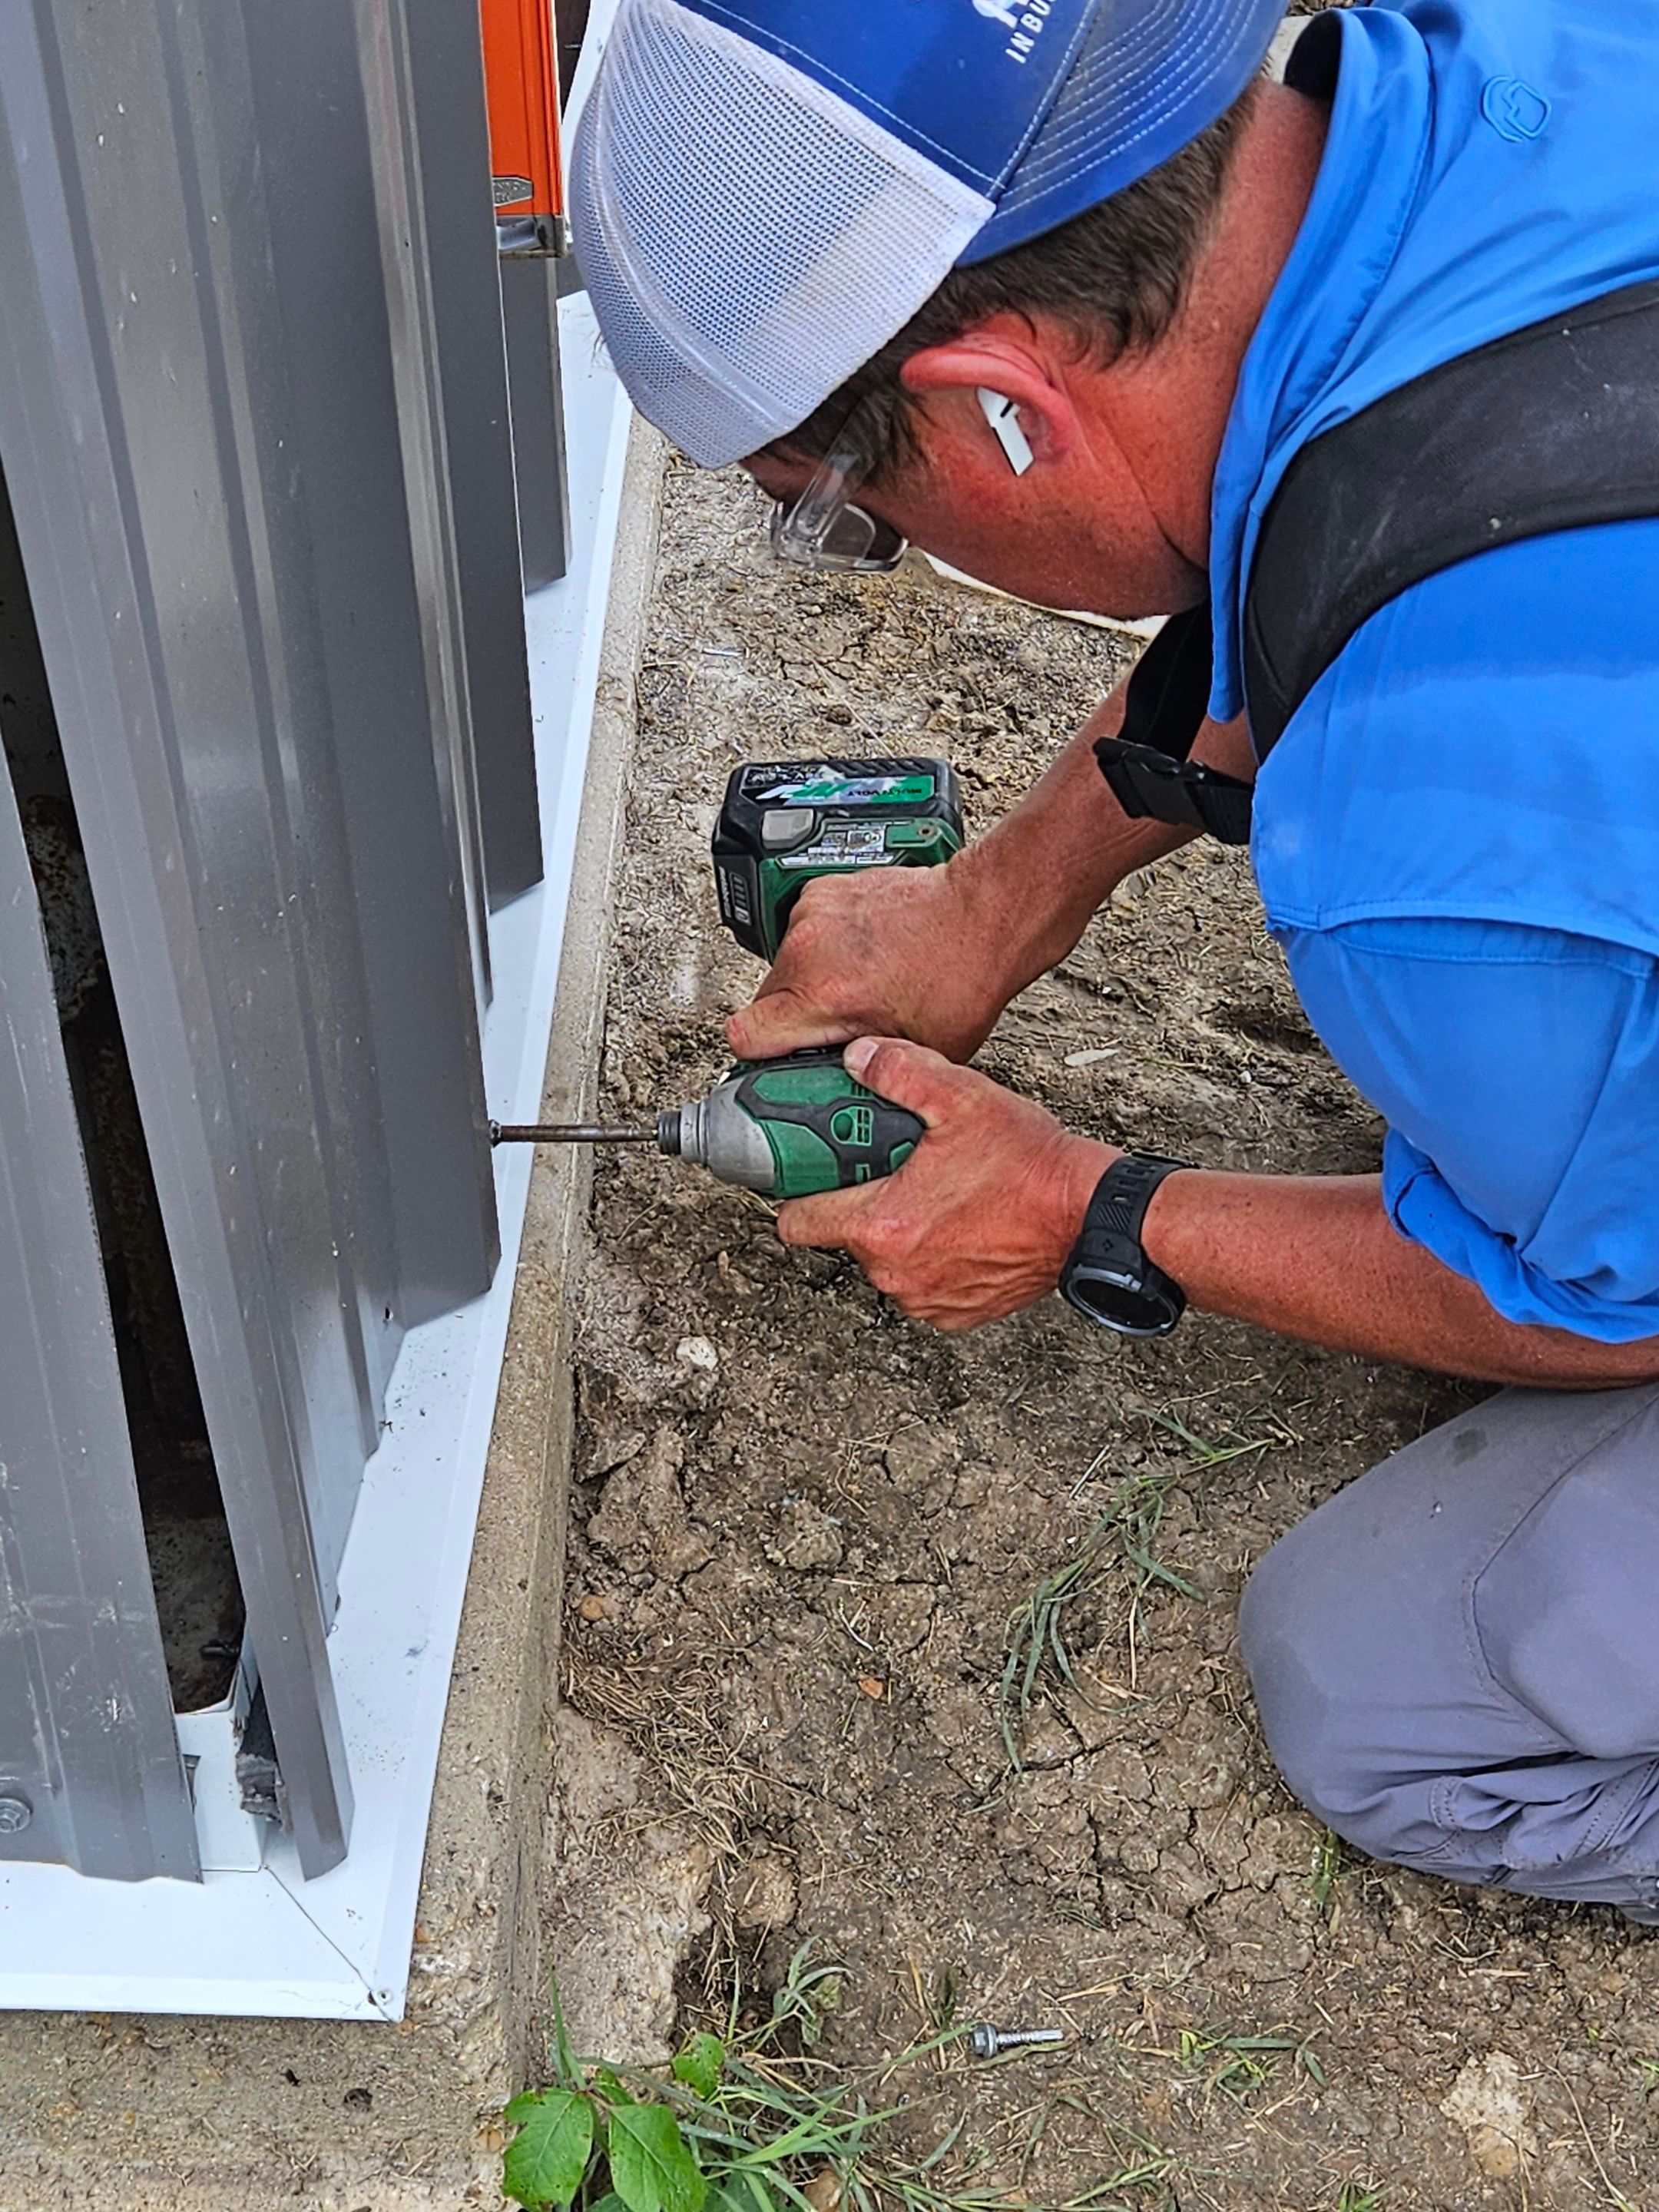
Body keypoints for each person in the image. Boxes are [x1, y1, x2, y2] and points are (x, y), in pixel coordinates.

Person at [569, 0, 1659, 1921]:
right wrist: (992, 905)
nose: (875, 548)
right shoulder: (1521, 66)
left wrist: (1096, 1203)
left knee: (1375, 1679)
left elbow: (1612, 1312)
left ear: (1003, 405)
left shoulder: (1445, 874)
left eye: (850, 521)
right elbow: (1376, 481)